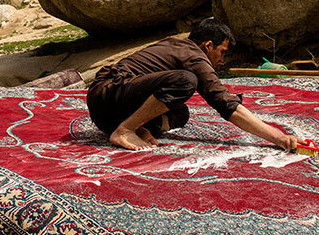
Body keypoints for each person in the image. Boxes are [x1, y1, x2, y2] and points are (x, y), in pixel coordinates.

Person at [87, 19, 299, 152]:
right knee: (186, 81)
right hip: (108, 95)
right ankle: (125, 130)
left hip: (105, 113)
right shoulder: (194, 55)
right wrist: (278, 137)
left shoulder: (175, 44)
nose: (222, 60)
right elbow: (225, 103)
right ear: (208, 45)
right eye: (222, 52)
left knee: (181, 113)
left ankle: (135, 126)